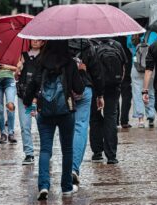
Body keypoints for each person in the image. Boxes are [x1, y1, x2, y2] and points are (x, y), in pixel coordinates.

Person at [23, 40, 84, 201]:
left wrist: (27, 101)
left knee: (45, 150)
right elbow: (79, 88)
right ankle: (66, 188)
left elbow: (33, 85)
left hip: (45, 111)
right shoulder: (69, 63)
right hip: (66, 111)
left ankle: (43, 186)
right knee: (67, 150)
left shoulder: (41, 62)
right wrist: (80, 72)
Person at [69, 39, 104, 185]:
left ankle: (68, 166)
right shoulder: (88, 45)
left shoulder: (58, 42)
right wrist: (100, 95)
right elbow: (97, 73)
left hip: (65, 89)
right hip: (85, 88)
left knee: (66, 128)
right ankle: (74, 167)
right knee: (81, 127)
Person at [89, 38, 128, 164]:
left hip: (94, 86)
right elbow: (123, 68)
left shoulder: (90, 45)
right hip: (113, 86)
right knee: (110, 117)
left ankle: (97, 152)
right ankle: (111, 155)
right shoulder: (117, 45)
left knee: (95, 117)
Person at [16, 39, 45, 165]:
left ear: (43, 42)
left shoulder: (44, 57)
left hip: (39, 98)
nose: (35, 42)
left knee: (42, 125)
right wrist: (18, 70)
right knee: (25, 125)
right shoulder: (23, 55)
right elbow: (17, 77)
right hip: (24, 96)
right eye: (33, 39)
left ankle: (46, 151)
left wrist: (36, 98)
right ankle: (29, 153)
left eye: (39, 40)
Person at [127, 33, 157, 128]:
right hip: (150, 67)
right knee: (150, 92)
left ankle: (140, 120)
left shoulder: (130, 35)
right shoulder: (153, 34)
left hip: (136, 67)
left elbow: (130, 49)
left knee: (137, 93)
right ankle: (151, 116)